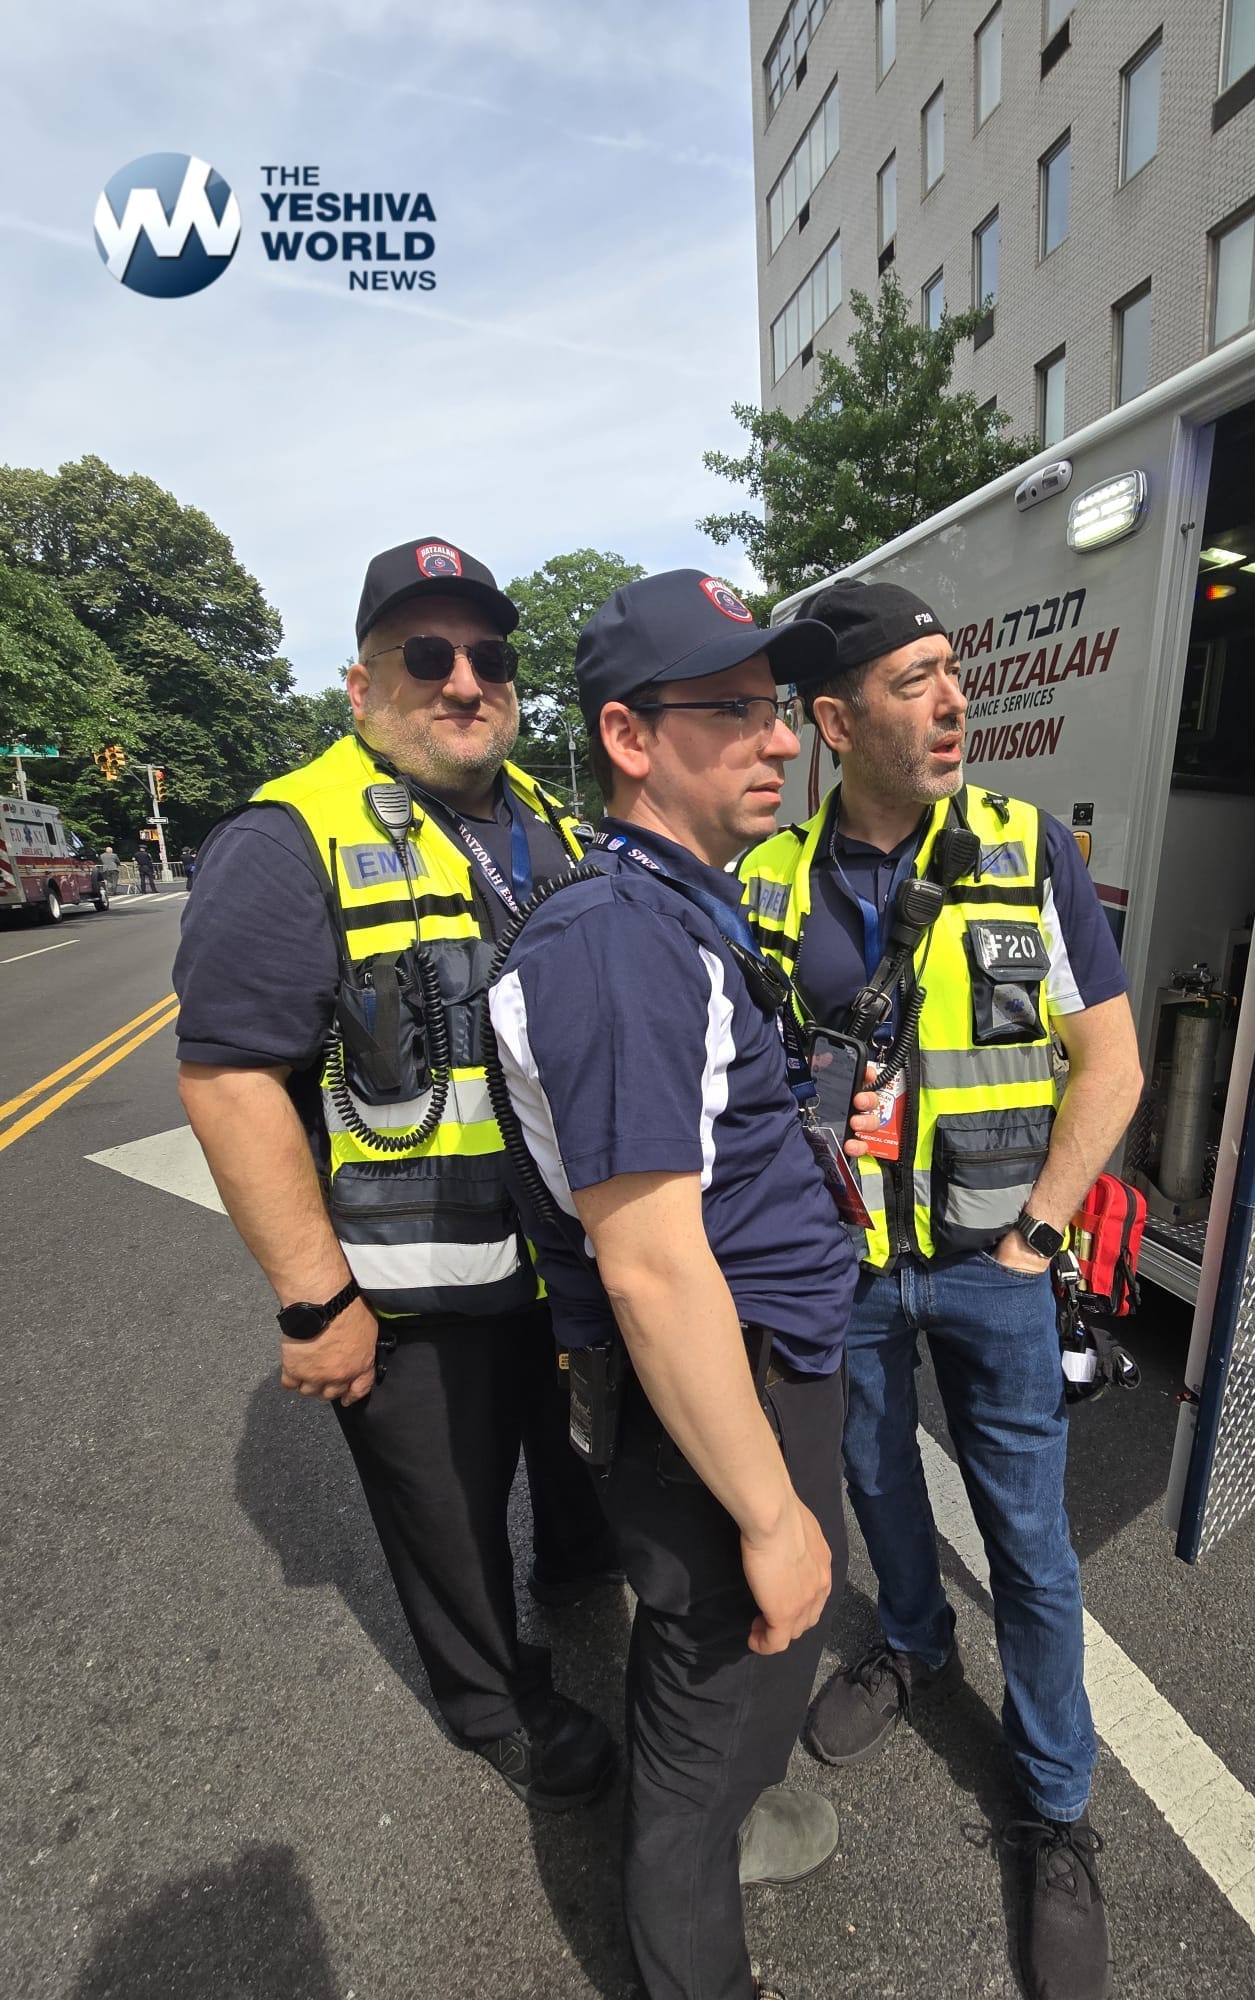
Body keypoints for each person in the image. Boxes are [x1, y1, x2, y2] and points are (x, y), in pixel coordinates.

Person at [740, 579, 1144, 2000]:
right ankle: (911, 1644)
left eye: (954, 673)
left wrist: (1035, 1238)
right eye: (914, 681)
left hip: (994, 1266)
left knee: (1030, 1538)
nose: (955, 699)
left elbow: (1113, 1064)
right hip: (844, 1272)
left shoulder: (1029, 850)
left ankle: (1056, 1808)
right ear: (836, 721)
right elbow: (743, 1085)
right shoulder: (766, 883)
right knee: (875, 1484)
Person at [174, 537, 619, 1813]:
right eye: (428, 655)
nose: (465, 680)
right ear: (363, 684)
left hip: (562, 1259)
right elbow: (229, 1078)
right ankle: (495, 1703)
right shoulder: (288, 834)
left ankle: (578, 1564)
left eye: (489, 656)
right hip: (415, 1289)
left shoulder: (551, 821)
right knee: (451, 1522)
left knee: (574, 1464)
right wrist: (316, 1300)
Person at [486, 570, 857, 2000]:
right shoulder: (617, 942)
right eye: (737, 710)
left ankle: (733, 1820)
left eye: (780, 706)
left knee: (750, 1665)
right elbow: (648, 1266)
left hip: (759, 1361)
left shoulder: (670, 909)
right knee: (706, 1714)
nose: (782, 737)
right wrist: (766, 1512)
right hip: (717, 1393)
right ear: (630, 737)